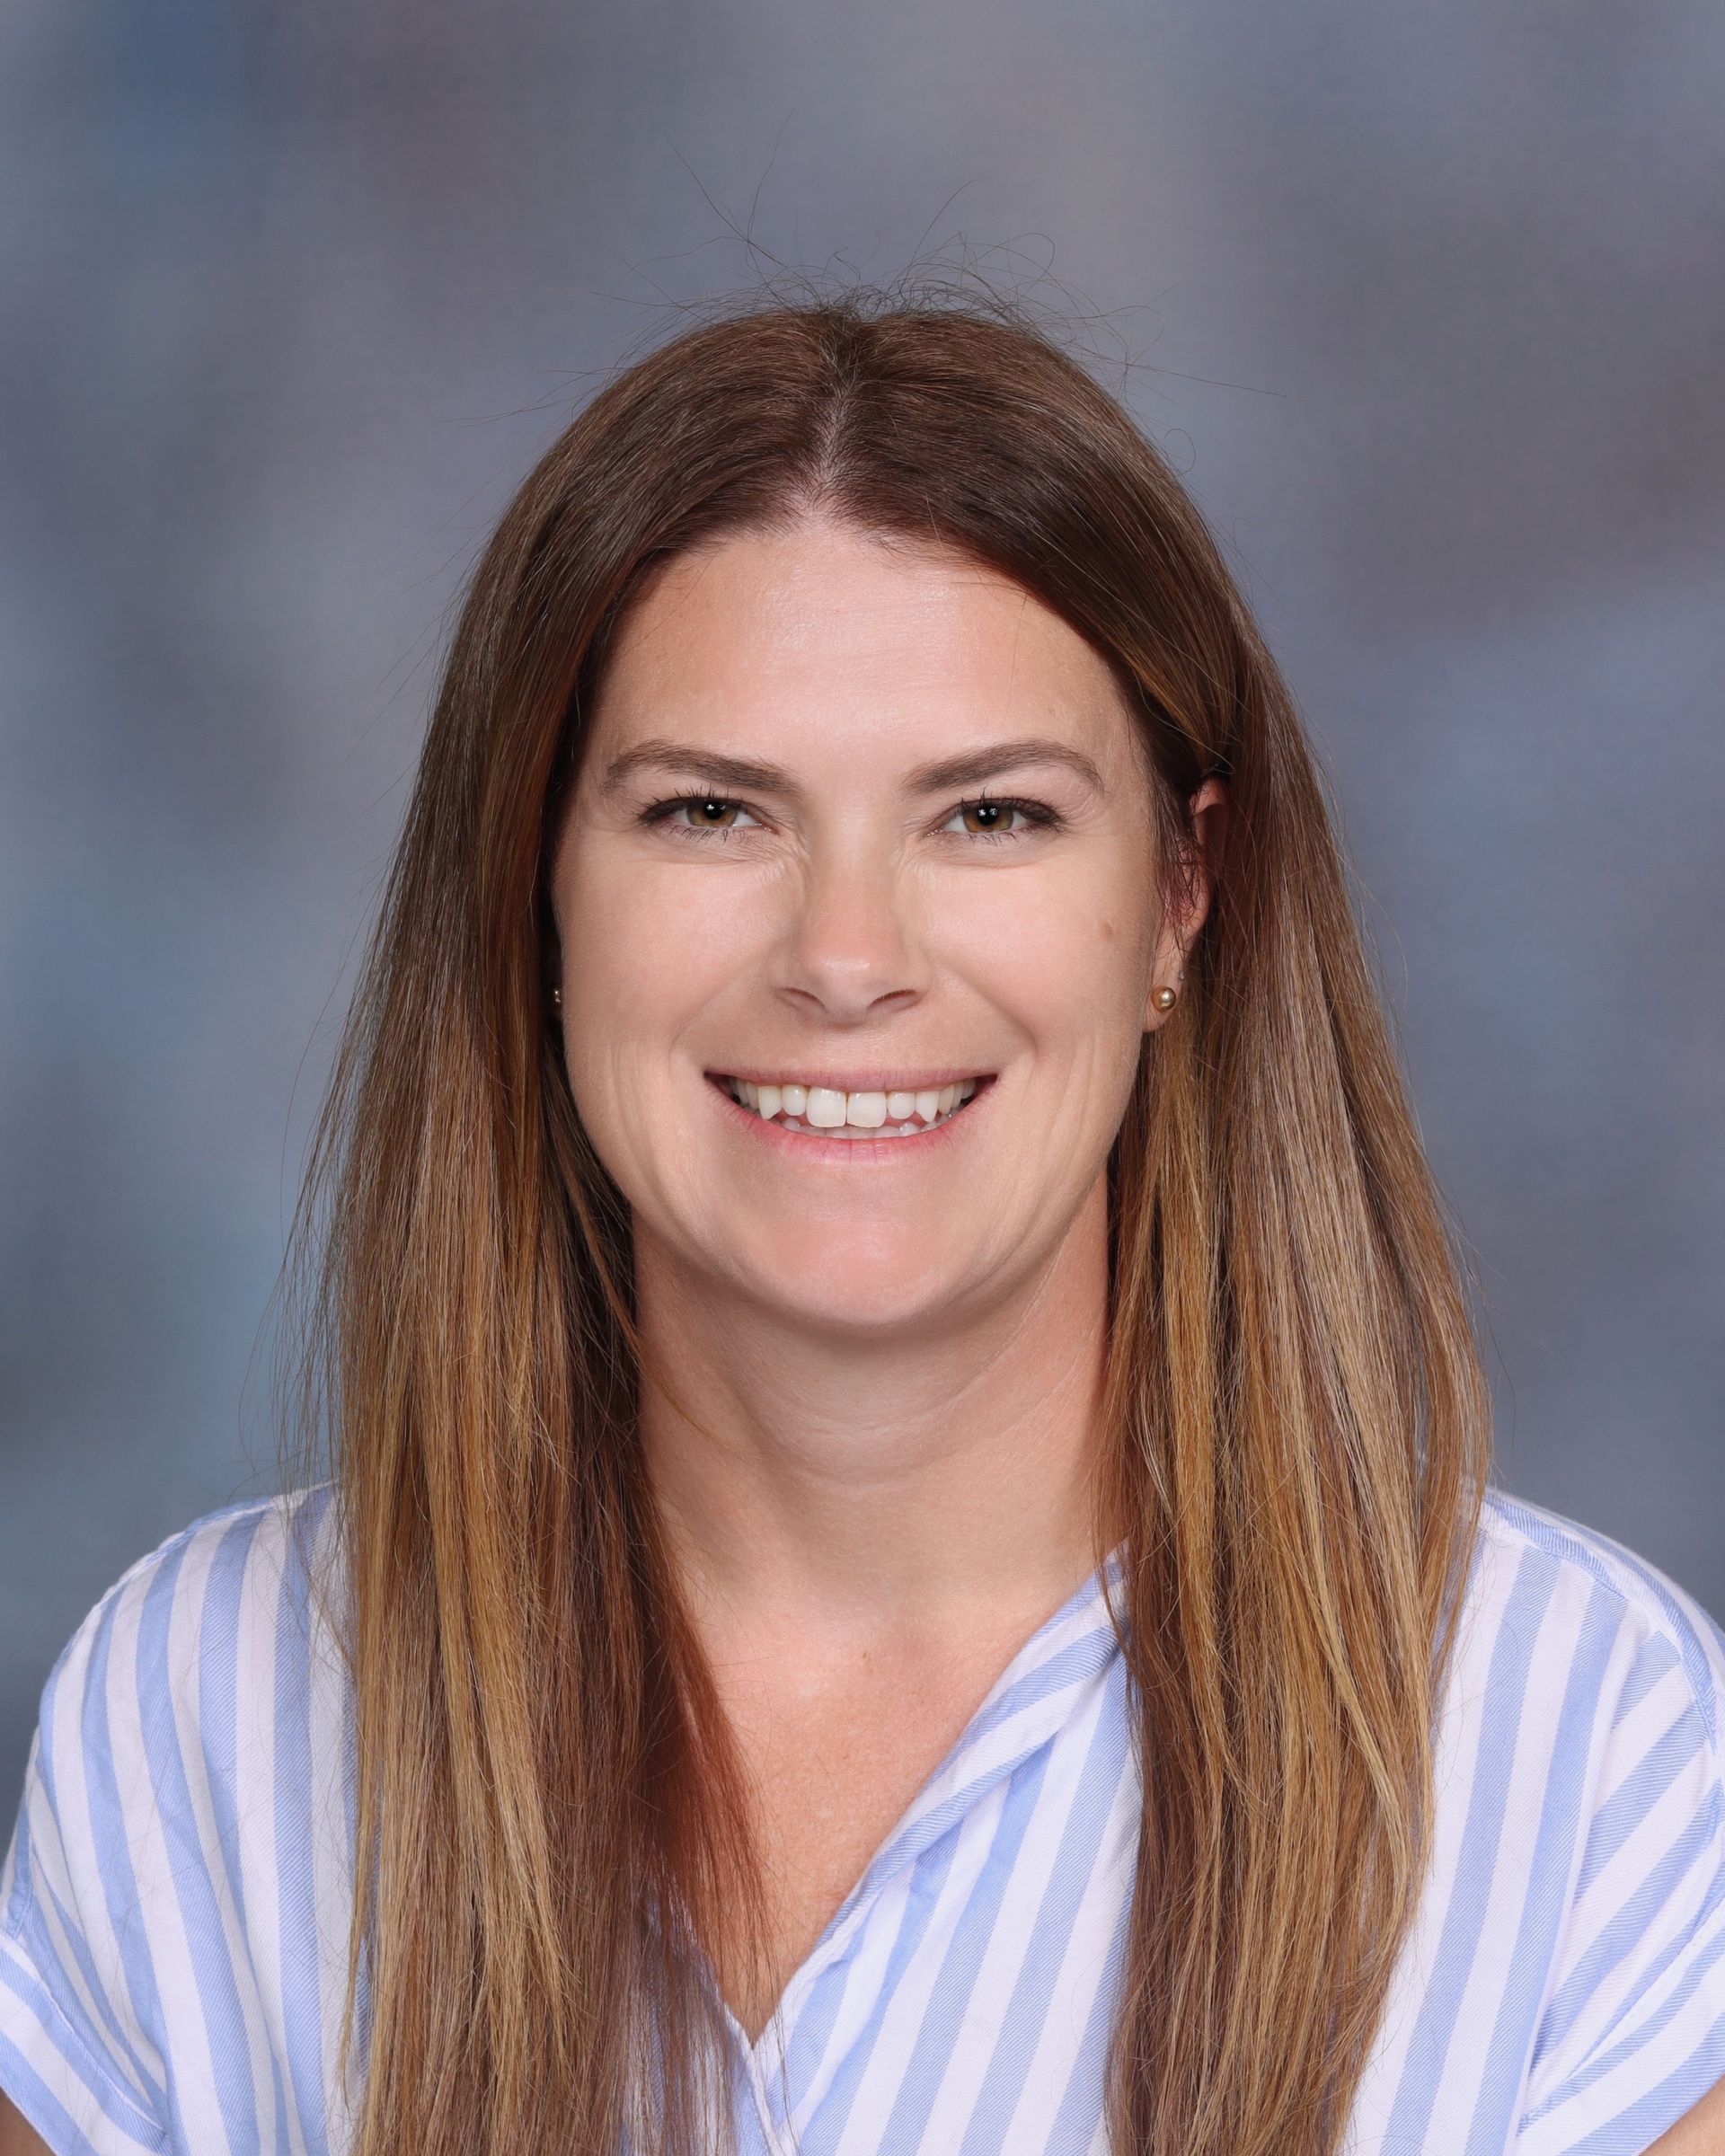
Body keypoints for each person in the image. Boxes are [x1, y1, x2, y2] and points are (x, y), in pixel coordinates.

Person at [3, 291, 1724, 2156]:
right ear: (539, 904)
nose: (845, 959)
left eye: (987, 817)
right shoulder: (198, 1709)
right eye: (711, 813)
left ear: (1178, 899)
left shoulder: (1583, 1748)